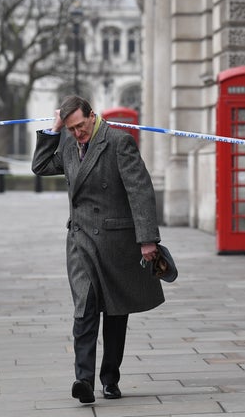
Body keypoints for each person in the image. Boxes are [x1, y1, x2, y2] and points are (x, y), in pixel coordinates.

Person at [32, 95, 164, 404]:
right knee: (85, 306)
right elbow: (39, 166)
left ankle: (110, 378)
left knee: (116, 312)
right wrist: (53, 130)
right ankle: (84, 380)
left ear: (93, 116)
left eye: (80, 126)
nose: (77, 134)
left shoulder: (119, 142)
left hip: (115, 240)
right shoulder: (67, 145)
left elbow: (140, 190)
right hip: (80, 241)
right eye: (71, 129)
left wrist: (147, 239)